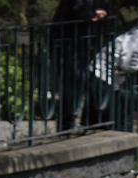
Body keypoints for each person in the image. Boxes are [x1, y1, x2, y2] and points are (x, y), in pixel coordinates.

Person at [89, 12, 138, 129]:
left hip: (108, 78)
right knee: (110, 118)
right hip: (102, 75)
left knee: (105, 117)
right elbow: (129, 65)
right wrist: (137, 67)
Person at [50, 1, 112, 131]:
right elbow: (77, 8)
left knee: (86, 81)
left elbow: (106, 7)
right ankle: (66, 126)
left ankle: (86, 122)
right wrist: (93, 14)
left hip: (86, 43)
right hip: (70, 43)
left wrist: (101, 13)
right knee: (71, 85)